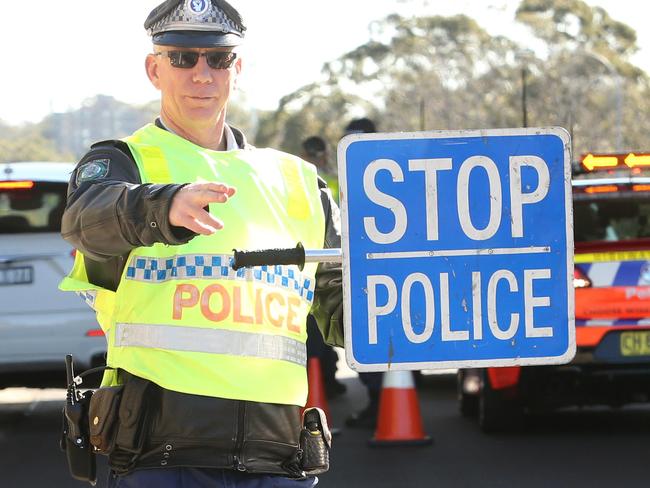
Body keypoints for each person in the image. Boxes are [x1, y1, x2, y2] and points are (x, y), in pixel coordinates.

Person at [59, 1, 344, 486]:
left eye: (217, 60)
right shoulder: (122, 163)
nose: (201, 74)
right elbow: (85, 221)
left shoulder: (298, 181)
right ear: (154, 69)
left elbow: (344, 308)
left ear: (237, 68)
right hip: (161, 458)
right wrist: (161, 207)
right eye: (182, 58)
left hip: (277, 458)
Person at [341, 117, 384, 430]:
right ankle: (378, 401)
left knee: (379, 341)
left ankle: (383, 401)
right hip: (359, 275)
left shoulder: (390, 174)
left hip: (384, 274)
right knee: (365, 341)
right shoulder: (346, 177)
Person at [300, 136, 346, 399]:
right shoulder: (300, 179)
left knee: (320, 334)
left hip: (329, 256)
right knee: (316, 333)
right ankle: (324, 381)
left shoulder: (329, 181)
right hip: (309, 261)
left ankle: (326, 380)